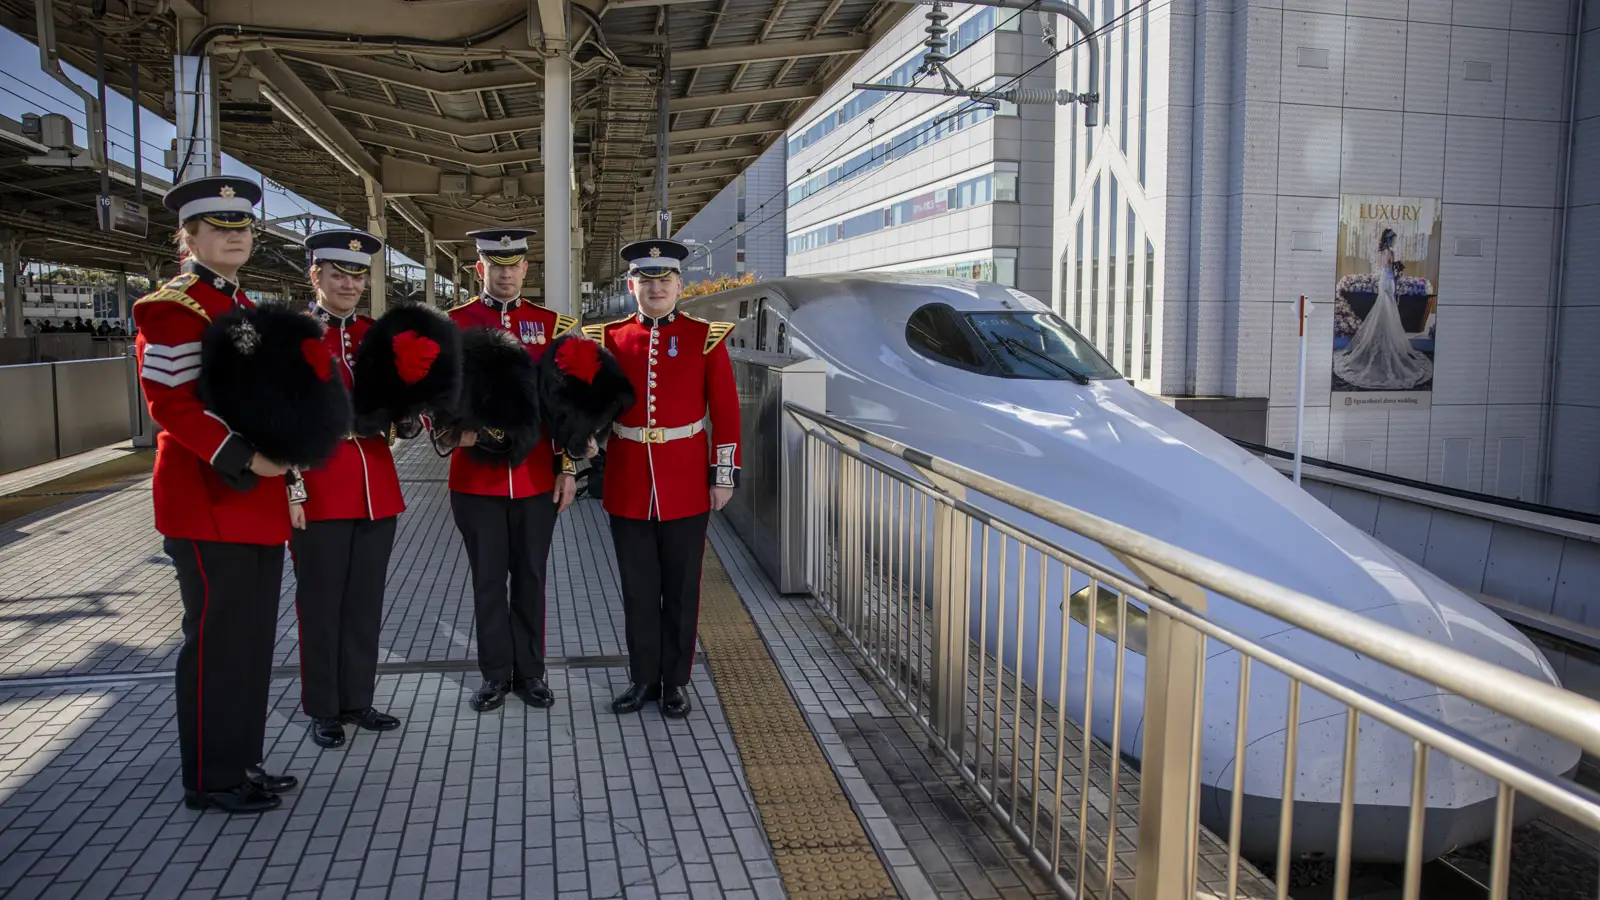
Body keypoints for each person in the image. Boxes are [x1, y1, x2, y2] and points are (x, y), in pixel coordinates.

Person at [132, 174, 298, 813]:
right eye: (221, 228)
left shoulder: (242, 307)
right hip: (208, 495)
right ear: (190, 236)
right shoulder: (174, 306)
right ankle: (209, 776)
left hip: (252, 499)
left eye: (243, 227)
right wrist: (245, 457)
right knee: (218, 638)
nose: (235, 236)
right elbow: (169, 403)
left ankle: (242, 759)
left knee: (253, 638)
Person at [582, 238, 740, 719]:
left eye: (664, 280)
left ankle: (676, 681)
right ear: (632, 286)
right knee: (637, 588)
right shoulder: (608, 339)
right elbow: (589, 403)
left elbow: (727, 414)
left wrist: (724, 475)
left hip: (687, 480)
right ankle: (642, 677)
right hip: (628, 480)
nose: (655, 287)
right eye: (645, 280)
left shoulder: (704, 337)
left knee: (682, 587)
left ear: (678, 285)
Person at [445, 227, 585, 712]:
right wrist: (453, 433)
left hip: (534, 480)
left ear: (527, 269)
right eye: (495, 264)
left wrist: (567, 468)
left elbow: (567, 406)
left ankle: (530, 673)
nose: (505, 272)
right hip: (475, 481)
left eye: (514, 264)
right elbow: (431, 397)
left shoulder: (553, 325)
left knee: (531, 577)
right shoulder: (454, 323)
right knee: (487, 581)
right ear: (480, 268)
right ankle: (494, 676)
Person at [289, 229, 405, 749]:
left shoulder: (374, 334)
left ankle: (357, 697)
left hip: (375, 482)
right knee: (320, 602)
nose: (350, 284)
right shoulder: (292, 335)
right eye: (339, 274)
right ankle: (323, 706)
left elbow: (399, 407)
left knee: (364, 600)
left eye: (358, 276)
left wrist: (411, 408)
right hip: (319, 482)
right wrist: (291, 489)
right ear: (316, 275)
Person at [1333, 227, 1433, 391]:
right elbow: (1390, 268)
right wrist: (1397, 270)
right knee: (1388, 309)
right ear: (1389, 240)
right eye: (1393, 239)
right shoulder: (1390, 253)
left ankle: (1382, 339)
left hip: (1383, 280)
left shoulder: (1380, 252)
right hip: (1388, 280)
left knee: (1383, 309)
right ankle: (1386, 341)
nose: (1394, 242)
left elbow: (1383, 266)